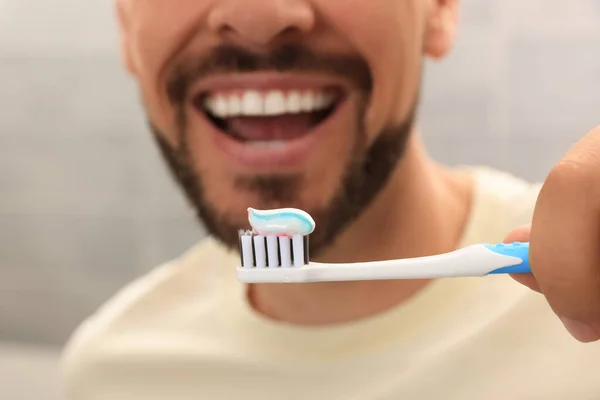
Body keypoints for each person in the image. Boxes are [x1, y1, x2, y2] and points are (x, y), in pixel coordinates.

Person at [60, 0, 600, 398]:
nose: (257, 15)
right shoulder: (106, 375)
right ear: (125, 24)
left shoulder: (587, 317)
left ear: (438, 9)